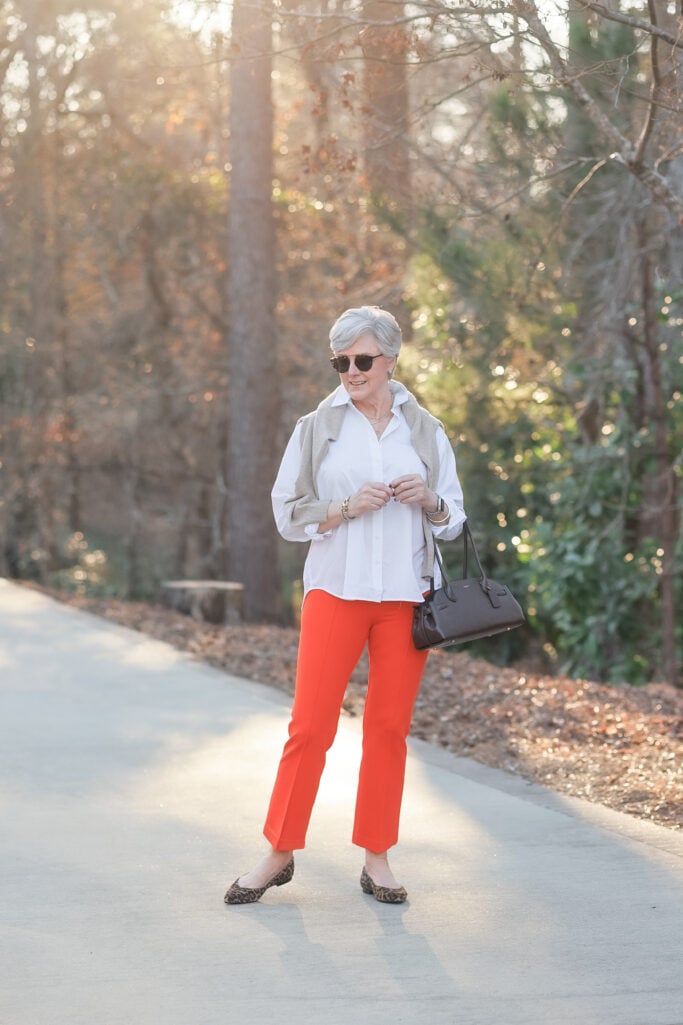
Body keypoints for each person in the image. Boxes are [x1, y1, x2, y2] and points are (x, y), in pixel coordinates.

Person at [224, 305, 466, 905]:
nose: (351, 371)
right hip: (335, 591)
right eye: (341, 361)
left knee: (388, 730)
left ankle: (377, 858)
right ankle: (278, 852)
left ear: (390, 360)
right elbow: (286, 512)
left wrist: (429, 499)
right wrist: (344, 508)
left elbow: (455, 518)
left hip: (406, 599)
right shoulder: (316, 427)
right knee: (309, 727)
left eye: (362, 360)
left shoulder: (425, 430)